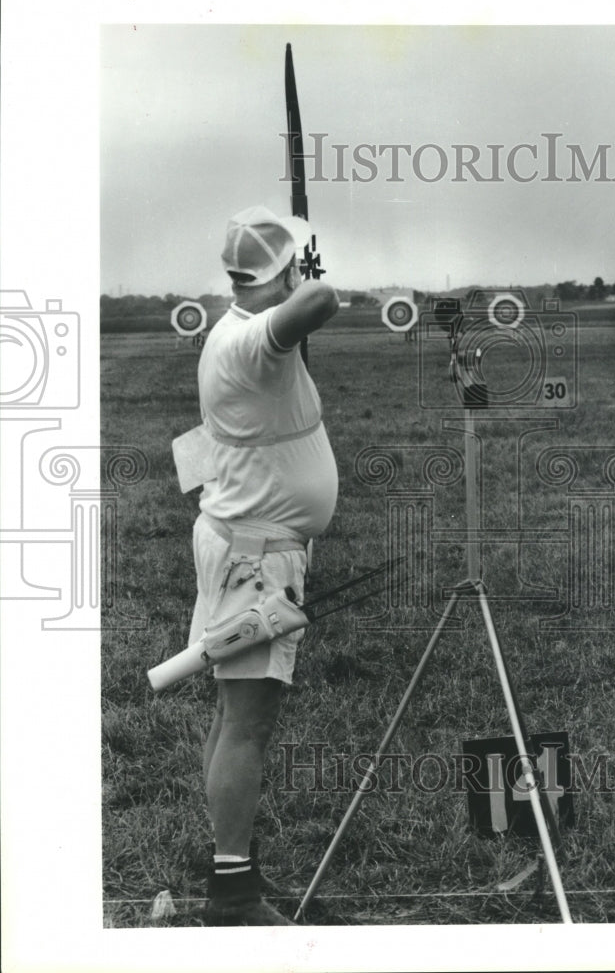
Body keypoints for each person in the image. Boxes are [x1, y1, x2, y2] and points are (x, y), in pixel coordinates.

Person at [187, 204, 339, 925]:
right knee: (248, 721)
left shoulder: (232, 332)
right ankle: (233, 894)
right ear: (277, 273)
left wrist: (291, 262)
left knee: (233, 712)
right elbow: (322, 300)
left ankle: (234, 862)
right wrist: (307, 266)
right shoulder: (249, 340)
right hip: (255, 559)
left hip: (243, 546)